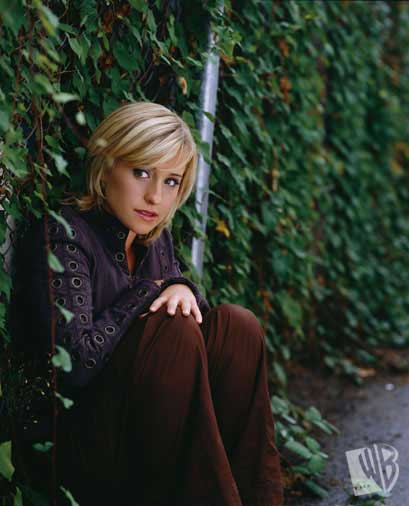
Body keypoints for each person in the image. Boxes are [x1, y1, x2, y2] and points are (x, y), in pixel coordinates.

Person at [8, 102, 284, 505]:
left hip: (157, 427)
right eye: (141, 172)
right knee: (172, 328)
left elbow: (194, 336)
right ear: (106, 166)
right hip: (81, 446)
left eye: (171, 181)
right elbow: (73, 365)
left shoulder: (153, 239)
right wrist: (150, 290)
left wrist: (181, 287)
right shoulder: (65, 235)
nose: (155, 196)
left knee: (237, 327)